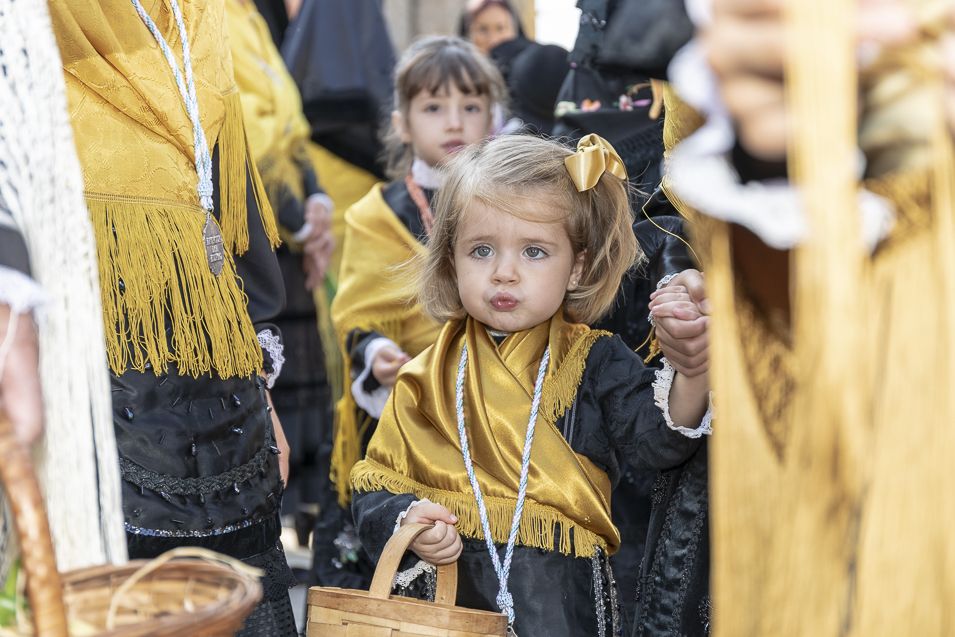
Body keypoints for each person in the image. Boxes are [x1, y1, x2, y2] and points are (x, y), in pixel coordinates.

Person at [350, 134, 712, 637]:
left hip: (563, 608)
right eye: (481, 250)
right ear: (450, 260)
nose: (504, 273)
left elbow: (658, 444)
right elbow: (373, 490)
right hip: (446, 606)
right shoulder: (424, 378)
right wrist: (409, 520)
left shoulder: (595, 359)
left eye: (535, 252)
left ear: (577, 266)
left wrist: (693, 371)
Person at [48, 2, 295, 634]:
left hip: (220, 402)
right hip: (88, 389)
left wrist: (263, 393)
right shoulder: (34, 24)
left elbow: (230, 207)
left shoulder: (201, 16)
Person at [326, 35, 506, 588]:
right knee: (413, 552)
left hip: (500, 406)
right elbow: (358, 312)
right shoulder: (376, 214)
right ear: (403, 122)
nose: (454, 122)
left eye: (470, 107)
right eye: (433, 108)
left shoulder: (512, 201)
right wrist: (377, 354)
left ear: (494, 119)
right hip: (406, 402)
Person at [226, 0, 336, 551]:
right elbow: (244, 140)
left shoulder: (250, 17)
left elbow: (287, 126)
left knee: (299, 386)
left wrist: (315, 200)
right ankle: (280, 517)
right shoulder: (212, 17)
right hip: (253, 229)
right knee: (275, 391)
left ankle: (303, 513)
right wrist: (299, 221)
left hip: (284, 230)